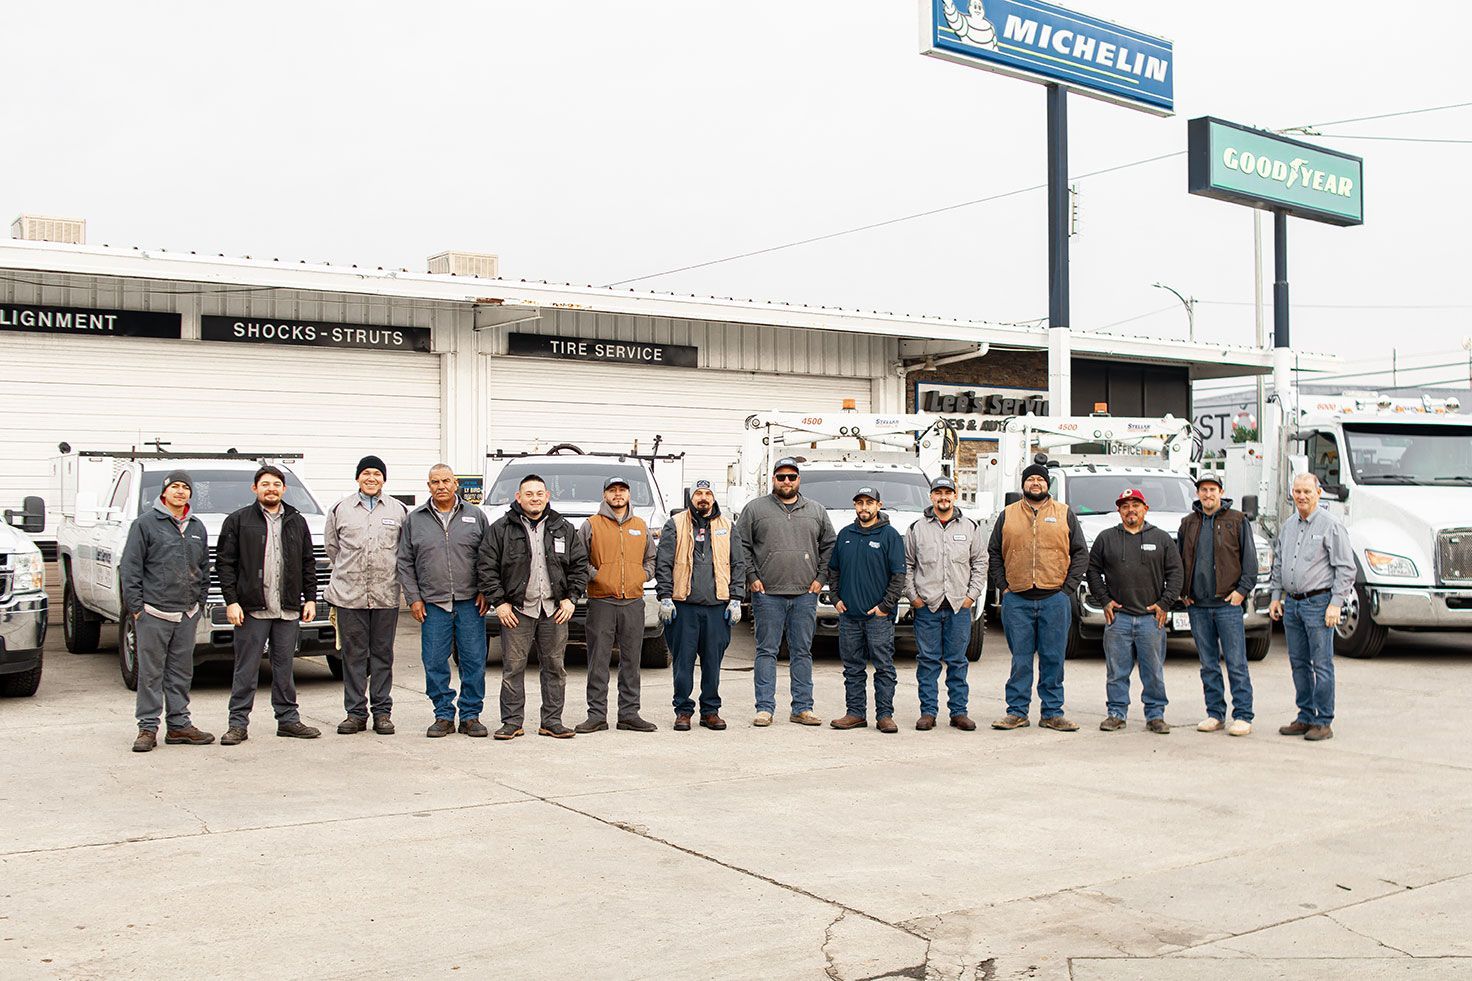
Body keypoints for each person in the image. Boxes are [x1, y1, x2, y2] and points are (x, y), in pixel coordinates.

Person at [216, 465, 321, 745]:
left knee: (284, 668)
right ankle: (238, 724)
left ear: (284, 489)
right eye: (265, 484)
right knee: (246, 668)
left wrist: (310, 598)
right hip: (252, 609)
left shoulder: (296, 521)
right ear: (255, 488)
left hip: (287, 608)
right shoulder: (238, 521)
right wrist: (232, 602)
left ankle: (287, 720)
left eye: (276, 484)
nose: (271, 488)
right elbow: (225, 564)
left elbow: (307, 562)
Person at [478, 473, 588, 740]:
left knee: (554, 668)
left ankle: (552, 721)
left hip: (554, 611)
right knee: (513, 668)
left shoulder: (563, 528)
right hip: (517, 611)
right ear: (518, 497)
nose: (534, 498)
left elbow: (580, 565)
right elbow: (486, 566)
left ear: (547, 496)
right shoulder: (502, 528)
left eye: (539, 493)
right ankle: (512, 722)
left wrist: (571, 598)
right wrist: (500, 603)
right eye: (528, 494)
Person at [734, 457, 836, 728]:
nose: (787, 481)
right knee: (766, 651)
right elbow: (740, 545)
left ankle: (802, 708)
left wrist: (820, 579)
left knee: (802, 651)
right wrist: (752, 577)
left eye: (792, 476)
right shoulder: (755, 509)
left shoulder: (816, 510)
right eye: (782, 477)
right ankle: (764, 708)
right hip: (767, 594)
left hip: (805, 594)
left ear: (799, 479)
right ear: (774, 480)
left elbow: (830, 546)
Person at [987, 459, 1088, 732]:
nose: (1035, 483)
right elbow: (994, 551)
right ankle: (1017, 712)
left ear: (1047, 484)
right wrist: (1003, 586)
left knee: (1053, 658)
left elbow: (1080, 552)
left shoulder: (1064, 512)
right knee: (1020, 660)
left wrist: (1068, 588)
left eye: (1040, 479)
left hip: (1055, 598)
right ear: (1023, 485)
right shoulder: (1007, 514)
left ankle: (1053, 712)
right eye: (1030, 479)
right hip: (1017, 599)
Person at [120, 470, 214, 752]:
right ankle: (147, 728)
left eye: (185, 487)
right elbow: (131, 568)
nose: (180, 491)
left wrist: (198, 604)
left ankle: (179, 726)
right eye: (175, 486)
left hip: (186, 614)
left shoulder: (197, 526)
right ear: (164, 492)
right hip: (154, 612)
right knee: (150, 674)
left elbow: (204, 569)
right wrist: (137, 609)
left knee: (181, 673)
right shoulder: (146, 524)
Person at [396, 465, 490, 738]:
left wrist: (485, 590)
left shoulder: (475, 516)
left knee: (473, 660)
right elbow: (405, 562)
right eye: (435, 482)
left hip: (471, 602)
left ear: (456, 484)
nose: (441, 486)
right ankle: (443, 714)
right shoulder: (415, 520)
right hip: (433, 603)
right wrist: (413, 598)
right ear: (428, 486)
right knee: (435, 661)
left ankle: (471, 715)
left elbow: (488, 557)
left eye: (446, 481)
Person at [324, 455, 408, 736]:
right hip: (350, 595)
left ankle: (382, 713)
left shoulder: (399, 510)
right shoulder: (340, 509)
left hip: (385, 594)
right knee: (353, 656)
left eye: (377, 474)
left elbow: (404, 551)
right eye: (366, 473)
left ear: (384, 479)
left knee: (383, 655)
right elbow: (333, 549)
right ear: (357, 477)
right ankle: (355, 713)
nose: (371, 478)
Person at [1087, 488, 1184, 734]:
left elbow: (1176, 573)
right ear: (1119, 510)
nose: (1131, 510)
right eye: (1125, 505)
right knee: (1117, 671)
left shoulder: (1161, 539)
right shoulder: (1106, 538)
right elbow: (1092, 571)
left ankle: (1155, 715)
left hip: (1150, 620)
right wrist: (1104, 600)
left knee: (1153, 671)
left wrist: (1165, 603)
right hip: (1118, 619)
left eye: (1136, 505)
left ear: (1145, 509)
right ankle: (1116, 713)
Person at [1269, 473, 1355, 741]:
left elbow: (1346, 568)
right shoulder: (1288, 525)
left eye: (1307, 491)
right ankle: (1305, 716)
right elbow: (1279, 563)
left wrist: (1336, 604)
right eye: (1297, 491)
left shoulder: (1331, 525)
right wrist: (1275, 596)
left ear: (1318, 493)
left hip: (1319, 604)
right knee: (1298, 664)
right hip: (1292, 605)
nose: (1302, 496)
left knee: (1321, 664)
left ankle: (1323, 721)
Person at [655, 479, 745, 731]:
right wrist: (665, 596)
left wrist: (736, 598)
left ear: (714, 498)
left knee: (712, 662)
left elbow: (738, 564)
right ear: (691, 498)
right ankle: (683, 711)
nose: (703, 498)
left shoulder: (728, 526)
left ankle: (710, 711)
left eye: (708, 493)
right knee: (683, 663)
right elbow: (664, 563)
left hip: (718, 607)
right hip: (684, 607)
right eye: (698, 493)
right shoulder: (675, 524)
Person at [1177, 474, 1259, 736]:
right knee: (1208, 663)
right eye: (1203, 490)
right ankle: (1215, 714)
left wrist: (1241, 592)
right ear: (1198, 493)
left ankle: (1243, 715)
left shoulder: (1237, 520)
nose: (1208, 494)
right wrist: (1183, 592)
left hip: (1227, 605)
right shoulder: (1188, 523)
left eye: (1212, 489)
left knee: (1236, 662)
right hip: (1198, 605)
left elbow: (1250, 561)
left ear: (1221, 492)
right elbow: (1179, 561)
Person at [576, 475, 659, 733]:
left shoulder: (640, 525)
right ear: (605, 495)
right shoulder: (591, 525)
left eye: (622, 490)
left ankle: (629, 714)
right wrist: (598, 576)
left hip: (633, 601)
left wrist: (641, 576)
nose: (618, 494)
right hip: (601, 601)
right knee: (598, 661)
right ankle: (596, 715)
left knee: (631, 661)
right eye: (612, 490)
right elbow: (579, 558)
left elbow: (652, 559)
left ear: (629, 495)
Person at [904, 476, 986, 732]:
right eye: (938, 493)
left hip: (957, 607)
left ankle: (959, 712)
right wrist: (914, 598)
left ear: (955, 495)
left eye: (947, 493)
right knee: (927, 661)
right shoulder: (916, 528)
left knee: (957, 661)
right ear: (931, 496)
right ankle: (928, 713)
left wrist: (970, 597)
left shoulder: (970, 527)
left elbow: (980, 564)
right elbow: (907, 566)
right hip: (927, 607)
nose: (943, 497)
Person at [826, 487, 906, 733]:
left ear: (879, 506)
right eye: (859, 503)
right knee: (852, 668)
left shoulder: (890, 535)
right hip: (849, 616)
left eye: (869, 502)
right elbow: (834, 570)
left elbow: (899, 575)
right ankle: (855, 713)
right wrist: (835, 597)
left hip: (877, 618)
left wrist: (885, 606)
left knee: (883, 667)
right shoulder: (845, 535)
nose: (864, 507)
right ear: (855, 506)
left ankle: (884, 715)